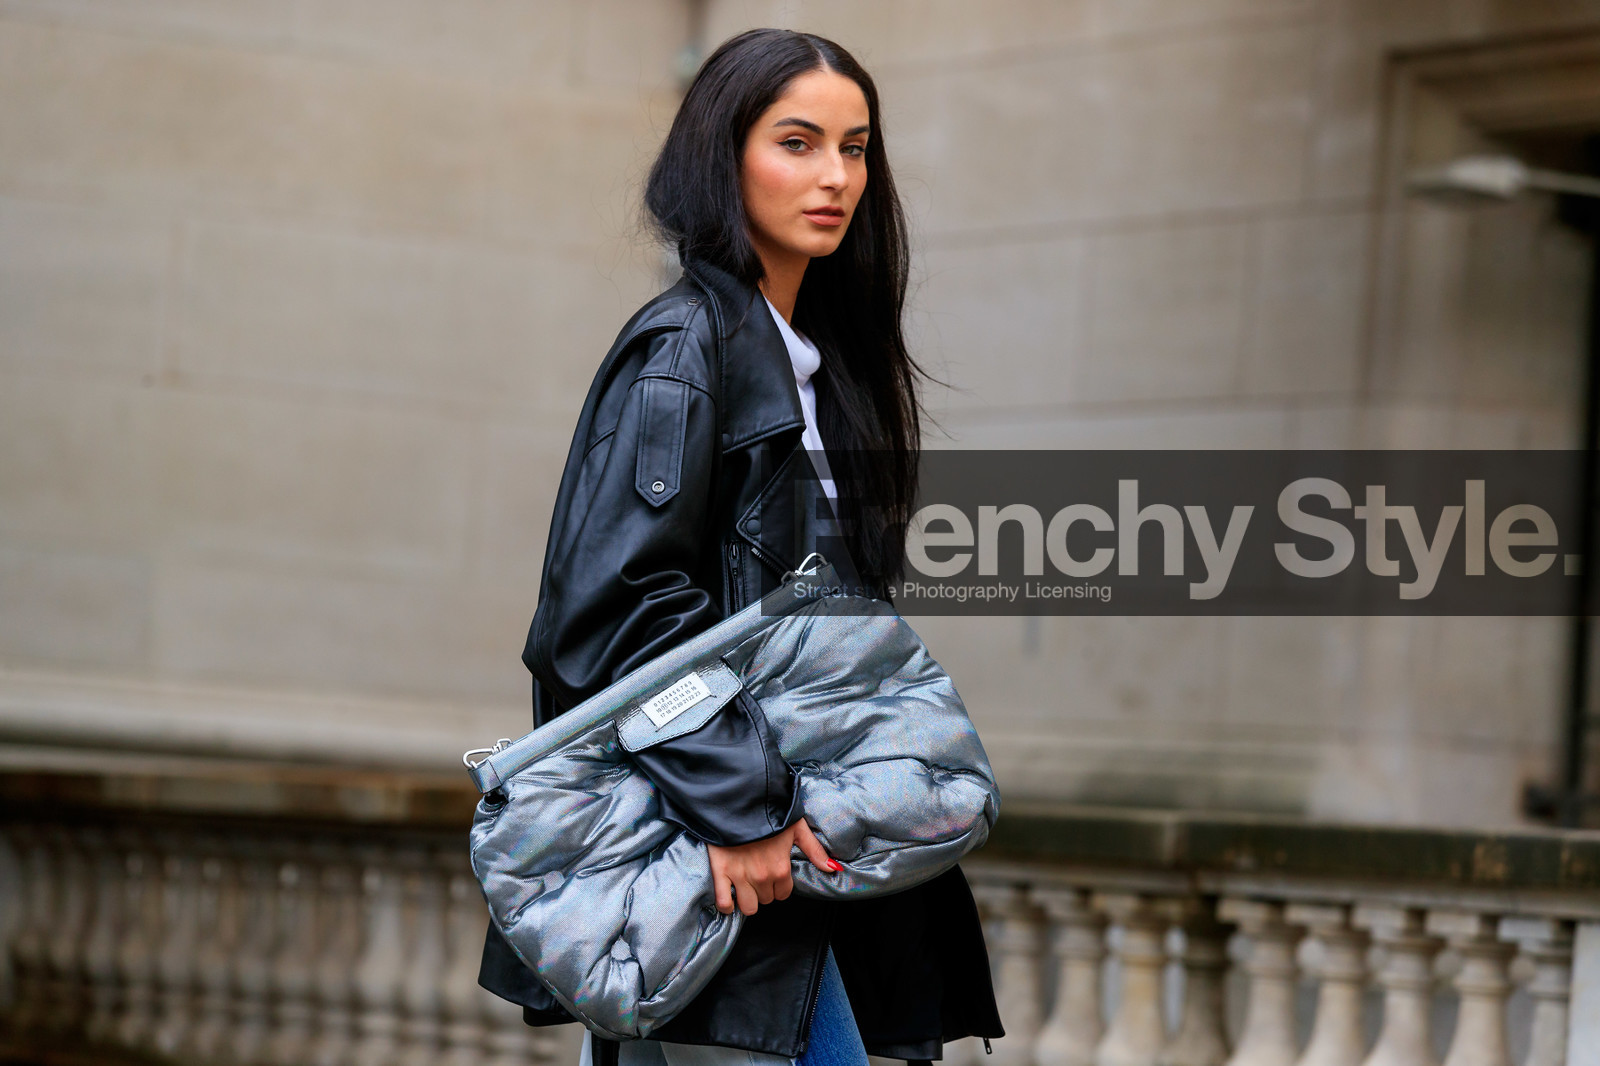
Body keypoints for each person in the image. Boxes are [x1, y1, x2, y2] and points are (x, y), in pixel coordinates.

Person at [477, 26, 1003, 1066]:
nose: (836, 176)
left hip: (798, 851)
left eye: (855, 148)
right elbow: (613, 610)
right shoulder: (686, 349)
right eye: (797, 142)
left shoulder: (819, 367)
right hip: (723, 859)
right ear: (723, 159)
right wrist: (742, 808)